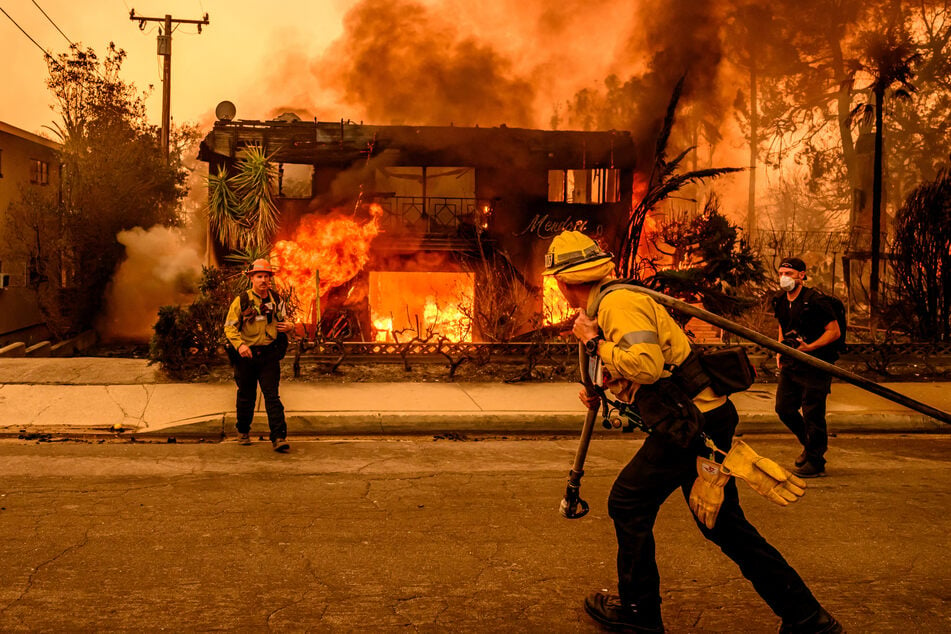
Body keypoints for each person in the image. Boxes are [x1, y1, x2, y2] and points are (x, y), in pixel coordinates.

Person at [544, 231, 842, 634]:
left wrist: (594, 342)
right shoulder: (612, 302)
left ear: (562, 283)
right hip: (700, 419)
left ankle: (639, 612)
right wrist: (604, 383)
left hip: (691, 425)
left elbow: (646, 366)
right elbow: (646, 365)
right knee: (723, 526)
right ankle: (808, 618)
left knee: (628, 502)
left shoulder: (618, 304)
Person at [770, 257, 841, 478]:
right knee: (784, 409)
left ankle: (816, 461)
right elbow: (783, 326)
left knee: (813, 412)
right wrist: (780, 350)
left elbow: (834, 331)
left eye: (789, 274)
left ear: (802, 275)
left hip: (816, 363)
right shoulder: (780, 300)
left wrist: (809, 347)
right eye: (781, 273)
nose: (784, 278)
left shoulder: (816, 301)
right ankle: (810, 447)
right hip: (791, 363)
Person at [223, 259, 295, 453]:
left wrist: (290, 326)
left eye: (266, 276)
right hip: (246, 356)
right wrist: (240, 346)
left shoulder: (276, 300)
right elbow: (229, 327)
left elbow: (285, 320)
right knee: (246, 395)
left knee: (272, 395)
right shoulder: (242, 301)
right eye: (259, 276)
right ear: (251, 279)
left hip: (269, 354)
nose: (264, 280)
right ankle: (243, 431)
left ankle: (279, 437)